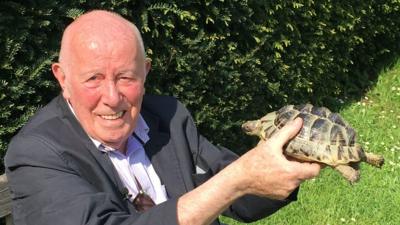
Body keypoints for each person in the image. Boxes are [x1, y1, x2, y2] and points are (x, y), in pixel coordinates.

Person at [5, 10, 321, 225]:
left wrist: (286, 156)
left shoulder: (168, 117)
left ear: (146, 73)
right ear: (62, 79)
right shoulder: (37, 153)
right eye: (93, 79)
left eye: (126, 77)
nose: (113, 97)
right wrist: (237, 180)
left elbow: (241, 196)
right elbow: (232, 181)